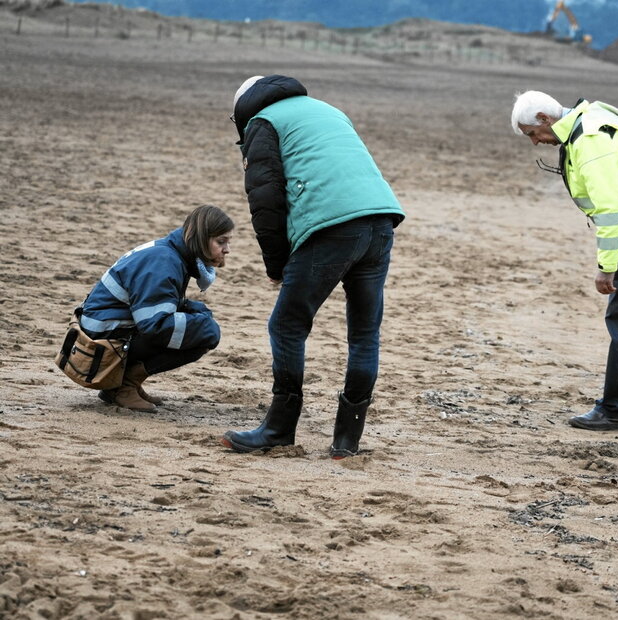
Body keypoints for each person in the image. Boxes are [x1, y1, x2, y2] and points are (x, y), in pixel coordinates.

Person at [222, 74, 405, 457]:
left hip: (333, 228)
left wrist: (276, 265)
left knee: (287, 324)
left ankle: (278, 428)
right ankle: (346, 441)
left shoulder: (262, 122)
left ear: (243, 109)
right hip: (381, 219)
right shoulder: (327, 110)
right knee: (363, 333)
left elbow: (266, 200)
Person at [511, 91, 618, 431]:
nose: (535, 142)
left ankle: (614, 409)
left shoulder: (589, 138)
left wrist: (607, 266)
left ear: (545, 118)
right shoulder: (585, 127)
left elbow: (610, 207)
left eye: (532, 133)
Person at [79, 204, 234, 411]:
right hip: (97, 343)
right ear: (200, 238)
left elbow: (160, 306)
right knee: (204, 334)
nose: (227, 250)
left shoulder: (172, 252)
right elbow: (154, 325)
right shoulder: (164, 260)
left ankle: (124, 383)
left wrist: (199, 313)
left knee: (199, 323)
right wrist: (205, 327)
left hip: (102, 330)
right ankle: (123, 386)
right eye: (220, 241)